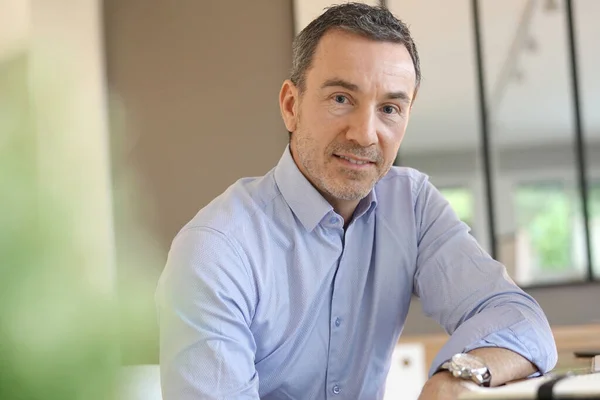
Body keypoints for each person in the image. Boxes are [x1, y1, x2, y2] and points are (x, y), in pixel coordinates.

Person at [155, 3, 557, 399]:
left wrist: (455, 378)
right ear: (291, 106)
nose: (365, 135)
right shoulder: (215, 250)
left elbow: (522, 321)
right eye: (341, 99)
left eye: (389, 108)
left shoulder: (412, 205)